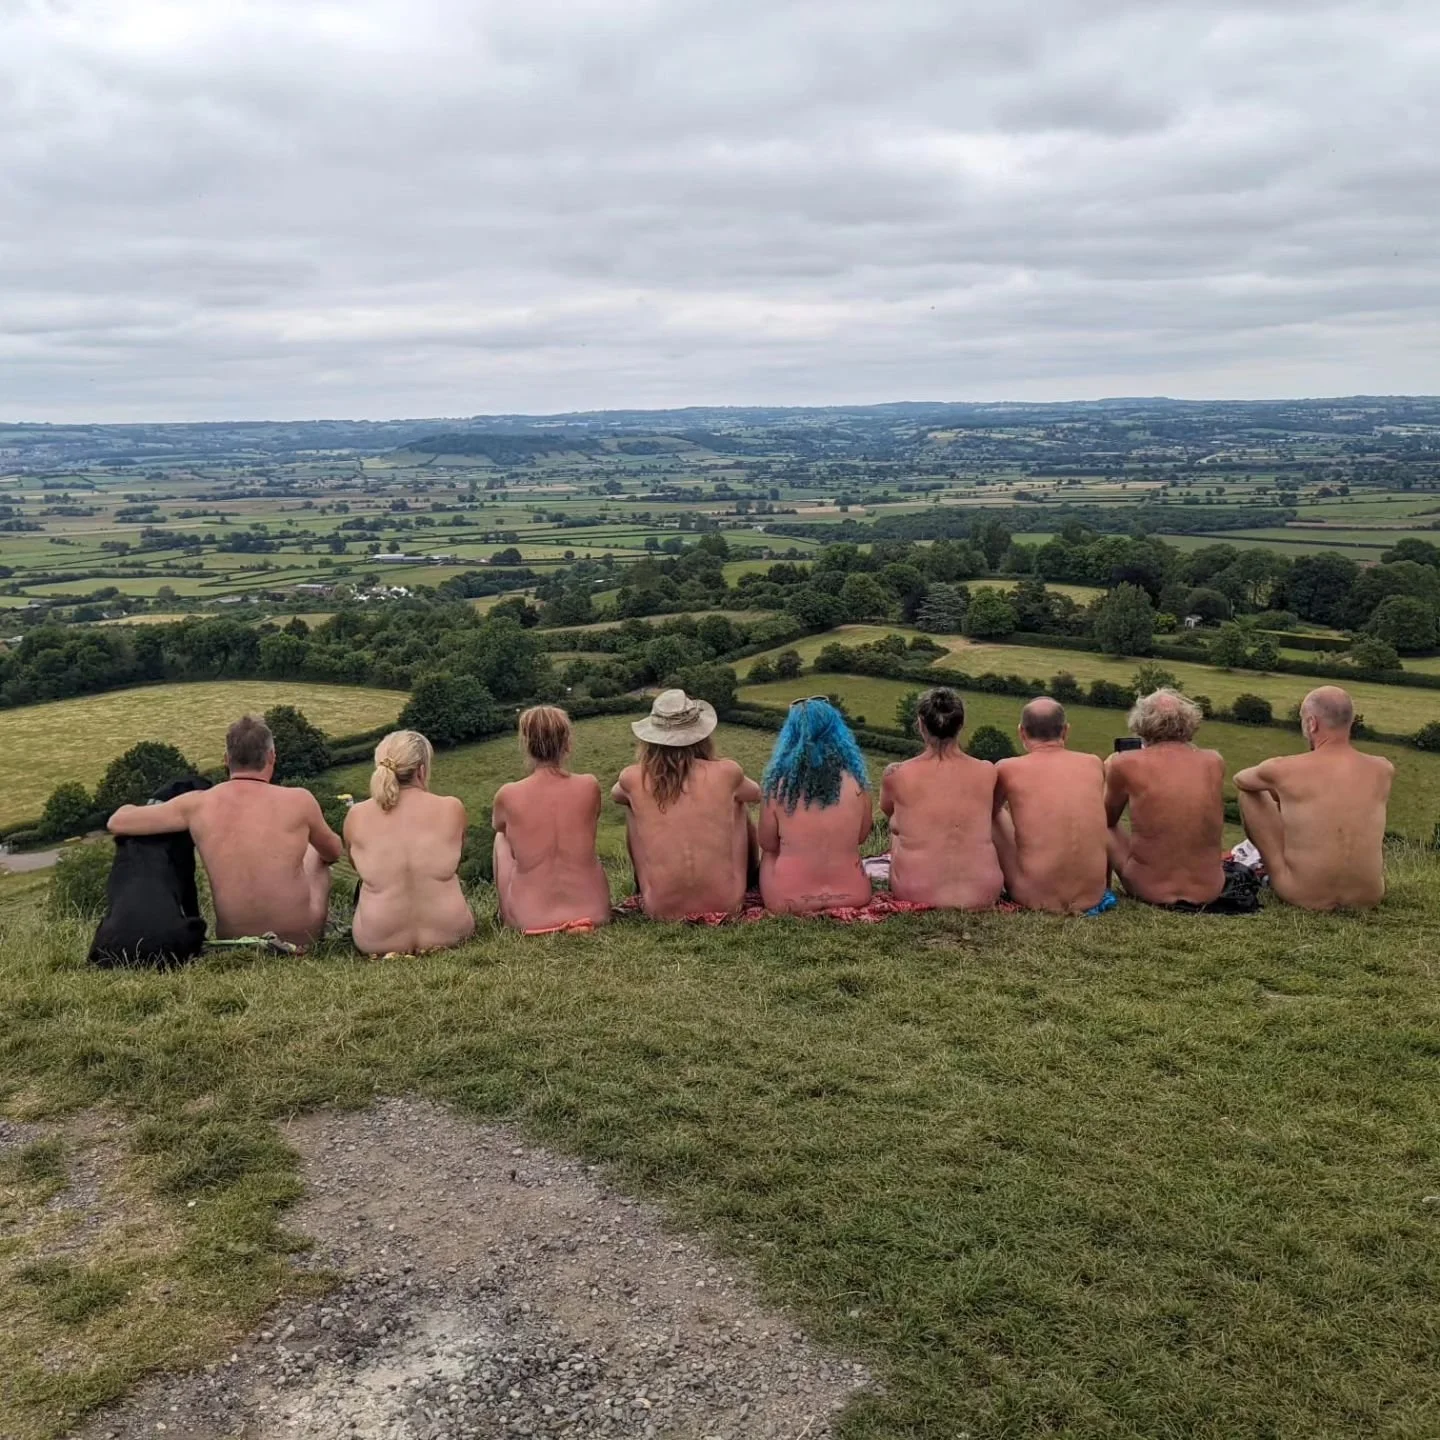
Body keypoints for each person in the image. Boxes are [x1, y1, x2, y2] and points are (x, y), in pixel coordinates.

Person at [106, 714, 342, 948]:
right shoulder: (300, 800)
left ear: (226, 759)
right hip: (299, 936)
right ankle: (314, 933)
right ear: (272, 757)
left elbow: (117, 822)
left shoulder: (197, 804)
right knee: (316, 853)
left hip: (233, 939)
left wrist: (127, 807)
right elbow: (333, 852)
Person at [1233, 686, 1394, 910]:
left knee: (1250, 794)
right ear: (1350, 723)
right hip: (1367, 897)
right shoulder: (1383, 769)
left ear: (1312, 723)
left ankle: (1272, 870)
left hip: (1303, 895)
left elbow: (1241, 779)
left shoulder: (1282, 768)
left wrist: (1278, 792)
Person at [611, 689, 761, 920]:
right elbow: (756, 794)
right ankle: (751, 880)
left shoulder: (632, 778)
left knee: (632, 805)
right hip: (726, 902)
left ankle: (644, 888)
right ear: (702, 735)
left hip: (659, 908)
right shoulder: (727, 772)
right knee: (738, 803)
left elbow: (616, 795)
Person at [344, 729, 475, 955]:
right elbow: (458, 859)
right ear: (422, 771)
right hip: (451, 934)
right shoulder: (451, 808)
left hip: (376, 941)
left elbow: (357, 867)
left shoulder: (356, 815)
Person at [491, 706, 611, 933]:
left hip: (528, 919)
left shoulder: (508, 794)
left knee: (501, 837)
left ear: (526, 744)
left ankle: (505, 914)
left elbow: (500, 827)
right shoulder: (589, 785)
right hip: (594, 912)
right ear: (566, 742)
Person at [879, 688, 1003, 909]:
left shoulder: (896, 773)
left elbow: (889, 813)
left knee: (898, 823)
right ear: (962, 724)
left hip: (916, 892)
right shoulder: (987, 771)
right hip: (984, 892)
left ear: (920, 724)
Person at [1105, 688, 1226, 906]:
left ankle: (1099, 889)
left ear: (1142, 722)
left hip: (1149, 889)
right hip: (1210, 890)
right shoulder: (1214, 762)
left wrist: (1108, 769)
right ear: (1189, 720)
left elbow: (1106, 818)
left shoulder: (1124, 763)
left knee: (1102, 825)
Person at [992, 697, 1108, 914]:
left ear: (1021, 732)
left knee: (994, 814)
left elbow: (987, 813)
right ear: (1065, 731)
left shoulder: (1007, 768)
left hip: (1034, 896)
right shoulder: (1093, 763)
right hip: (1093, 894)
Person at [758, 697, 872, 914]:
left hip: (788, 900)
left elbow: (768, 844)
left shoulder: (778, 787)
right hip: (854, 895)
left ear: (790, 736)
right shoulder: (858, 783)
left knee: (770, 854)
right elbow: (861, 837)